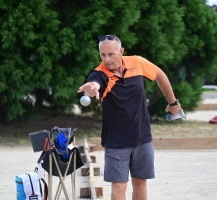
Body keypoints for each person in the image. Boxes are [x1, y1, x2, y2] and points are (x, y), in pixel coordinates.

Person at [77, 34, 181, 200]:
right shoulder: (100, 74)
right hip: (117, 142)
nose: (107, 59)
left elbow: (160, 74)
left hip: (142, 137)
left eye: (111, 54)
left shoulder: (137, 62)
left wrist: (173, 102)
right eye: (103, 55)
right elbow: (96, 83)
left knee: (140, 182)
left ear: (121, 51)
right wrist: (92, 87)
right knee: (118, 186)